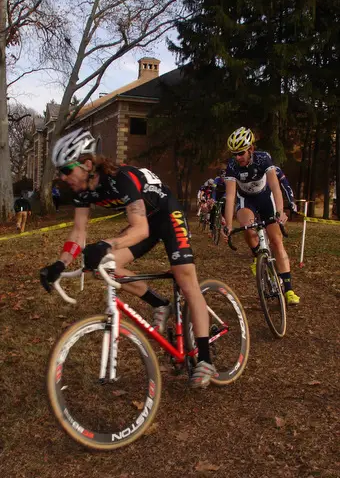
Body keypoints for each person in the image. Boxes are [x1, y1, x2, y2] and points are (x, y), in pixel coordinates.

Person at [39, 128, 216, 388]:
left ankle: (205, 358)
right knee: (106, 264)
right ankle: (160, 303)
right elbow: (78, 232)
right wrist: (60, 264)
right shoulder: (82, 191)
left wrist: (106, 243)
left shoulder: (120, 179)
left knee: (185, 278)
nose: (63, 178)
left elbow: (141, 230)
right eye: (60, 173)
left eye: (66, 170)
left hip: (166, 215)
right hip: (142, 221)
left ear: (87, 164)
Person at [223, 127, 300, 305]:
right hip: (246, 200)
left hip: (265, 198)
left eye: (240, 153)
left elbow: (274, 186)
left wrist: (280, 212)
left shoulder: (263, 158)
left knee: (276, 241)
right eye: (234, 154)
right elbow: (231, 197)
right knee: (248, 229)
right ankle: (257, 258)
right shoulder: (232, 166)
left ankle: (289, 290)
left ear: (250, 149)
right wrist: (227, 224)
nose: (237, 157)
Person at [209, 170, 226, 236]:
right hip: (216, 195)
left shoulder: (226, 181)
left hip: (223, 196)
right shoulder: (216, 179)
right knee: (213, 211)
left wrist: (224, 197)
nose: (223, 178)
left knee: (224, 209)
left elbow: (227, 191)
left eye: (225, 176)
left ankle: (223, 227)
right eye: (222, 176)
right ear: (220, 176)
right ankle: (211, 230)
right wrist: (213, 199)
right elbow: (213, 189)